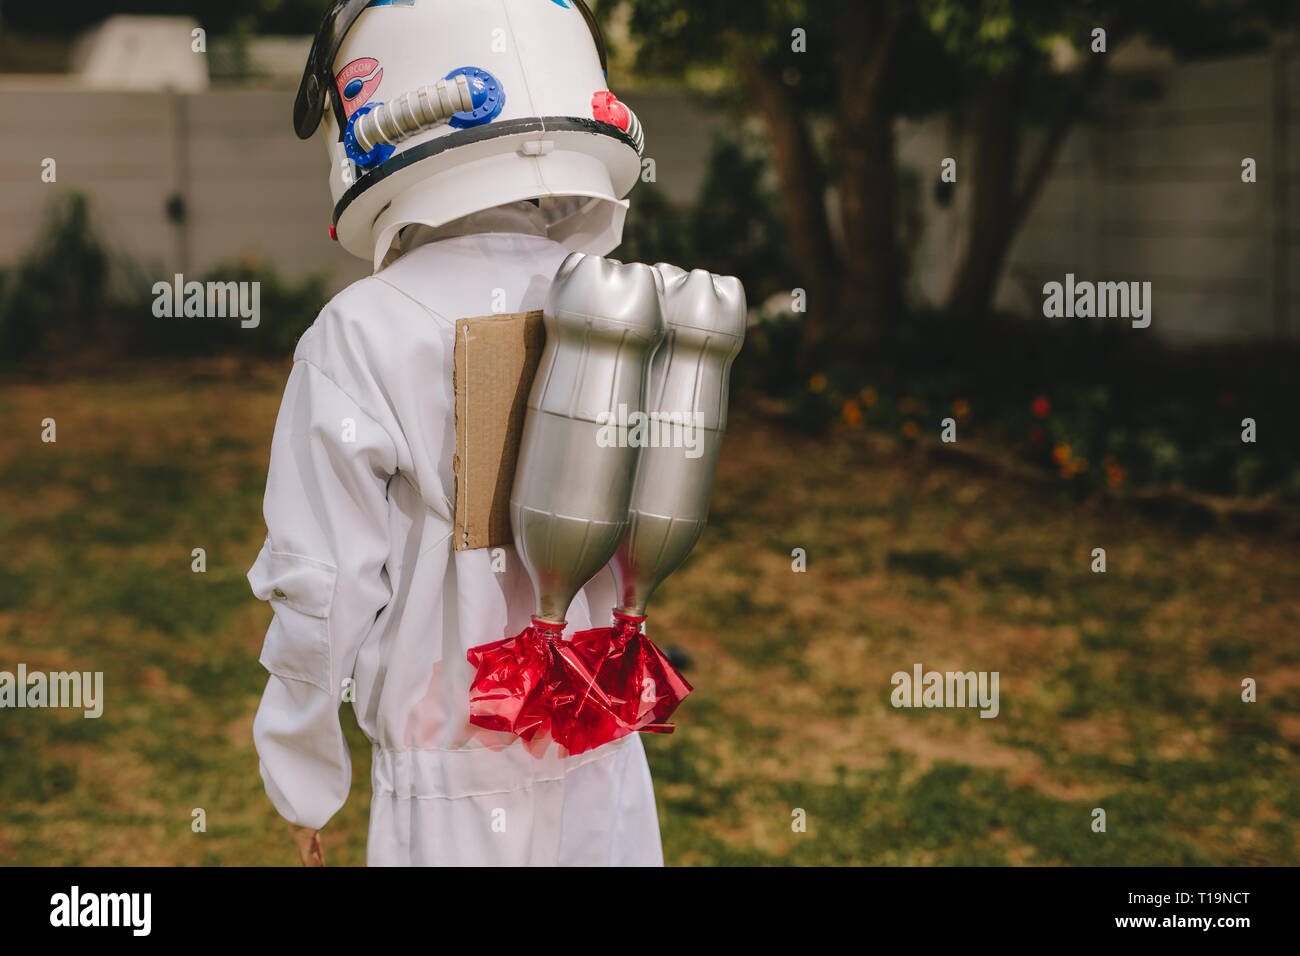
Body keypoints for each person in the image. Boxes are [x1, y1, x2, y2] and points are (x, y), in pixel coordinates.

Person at [249, 0, 661, 866]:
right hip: (603, 758)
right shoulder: (616, 306)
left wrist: (303, 775)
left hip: (448, 786)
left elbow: (321, 588)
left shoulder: (360, 331)